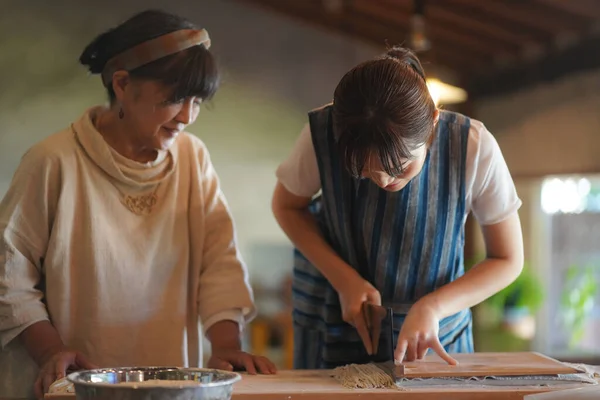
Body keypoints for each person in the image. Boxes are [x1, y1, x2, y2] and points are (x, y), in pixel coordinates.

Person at [0, 9, 275, 399]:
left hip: (169, 384)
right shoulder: (54, 161)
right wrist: (50, 350)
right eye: (177, 98)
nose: (187, 116)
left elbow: (220, 264)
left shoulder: (193, 160)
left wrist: (225, 346)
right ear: (124, 84)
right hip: (71, 386)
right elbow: (8, 275)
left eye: (197, 101)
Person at [271, 46, 524, 369]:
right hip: (336, 323)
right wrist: (343, 278)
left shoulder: (473, 145)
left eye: (400, 166)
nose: (383, 180)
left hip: (435, 335)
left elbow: (508, 258)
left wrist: (434, 307)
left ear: (433, 122)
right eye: (362, 170)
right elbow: (287, 207)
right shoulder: (322, 133)